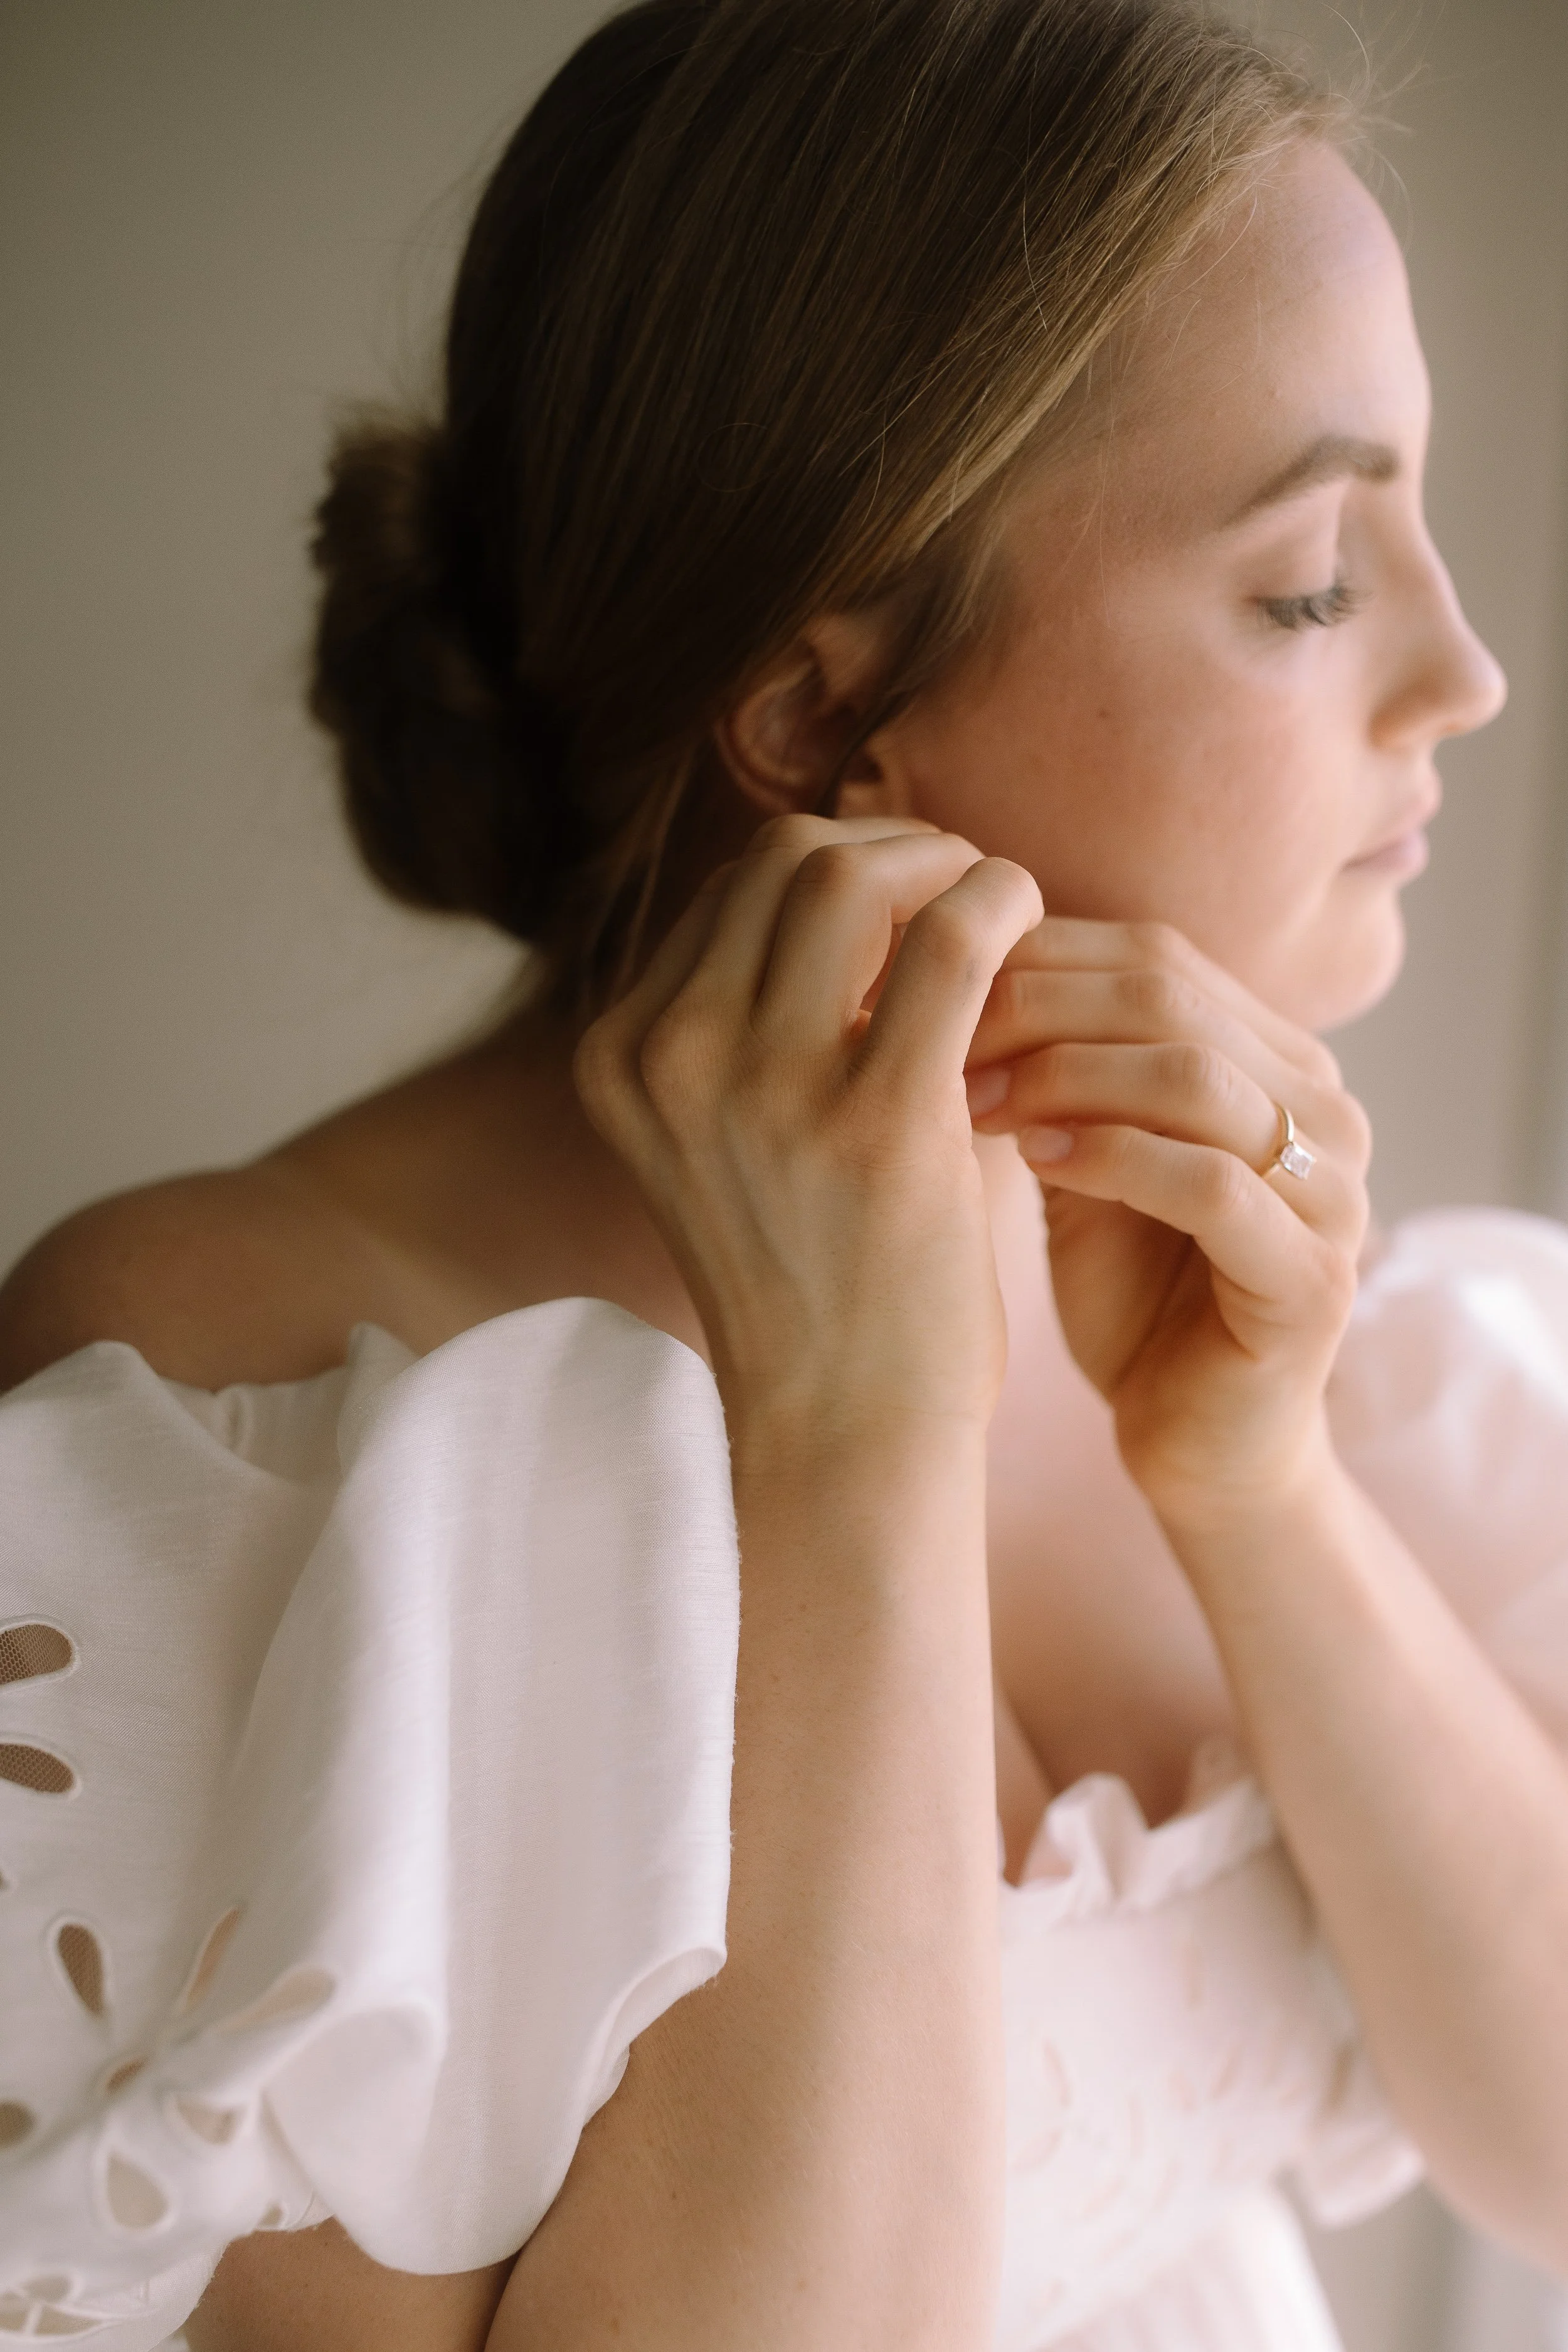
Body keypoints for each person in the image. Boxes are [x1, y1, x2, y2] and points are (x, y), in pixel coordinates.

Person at [2, 1, 1566, 2346]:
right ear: (821, 716)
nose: (1467, 673)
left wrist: (1252, 1490)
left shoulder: (1256, 1301)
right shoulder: (240, 1402)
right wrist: (849, 1460)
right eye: (1313, 579)